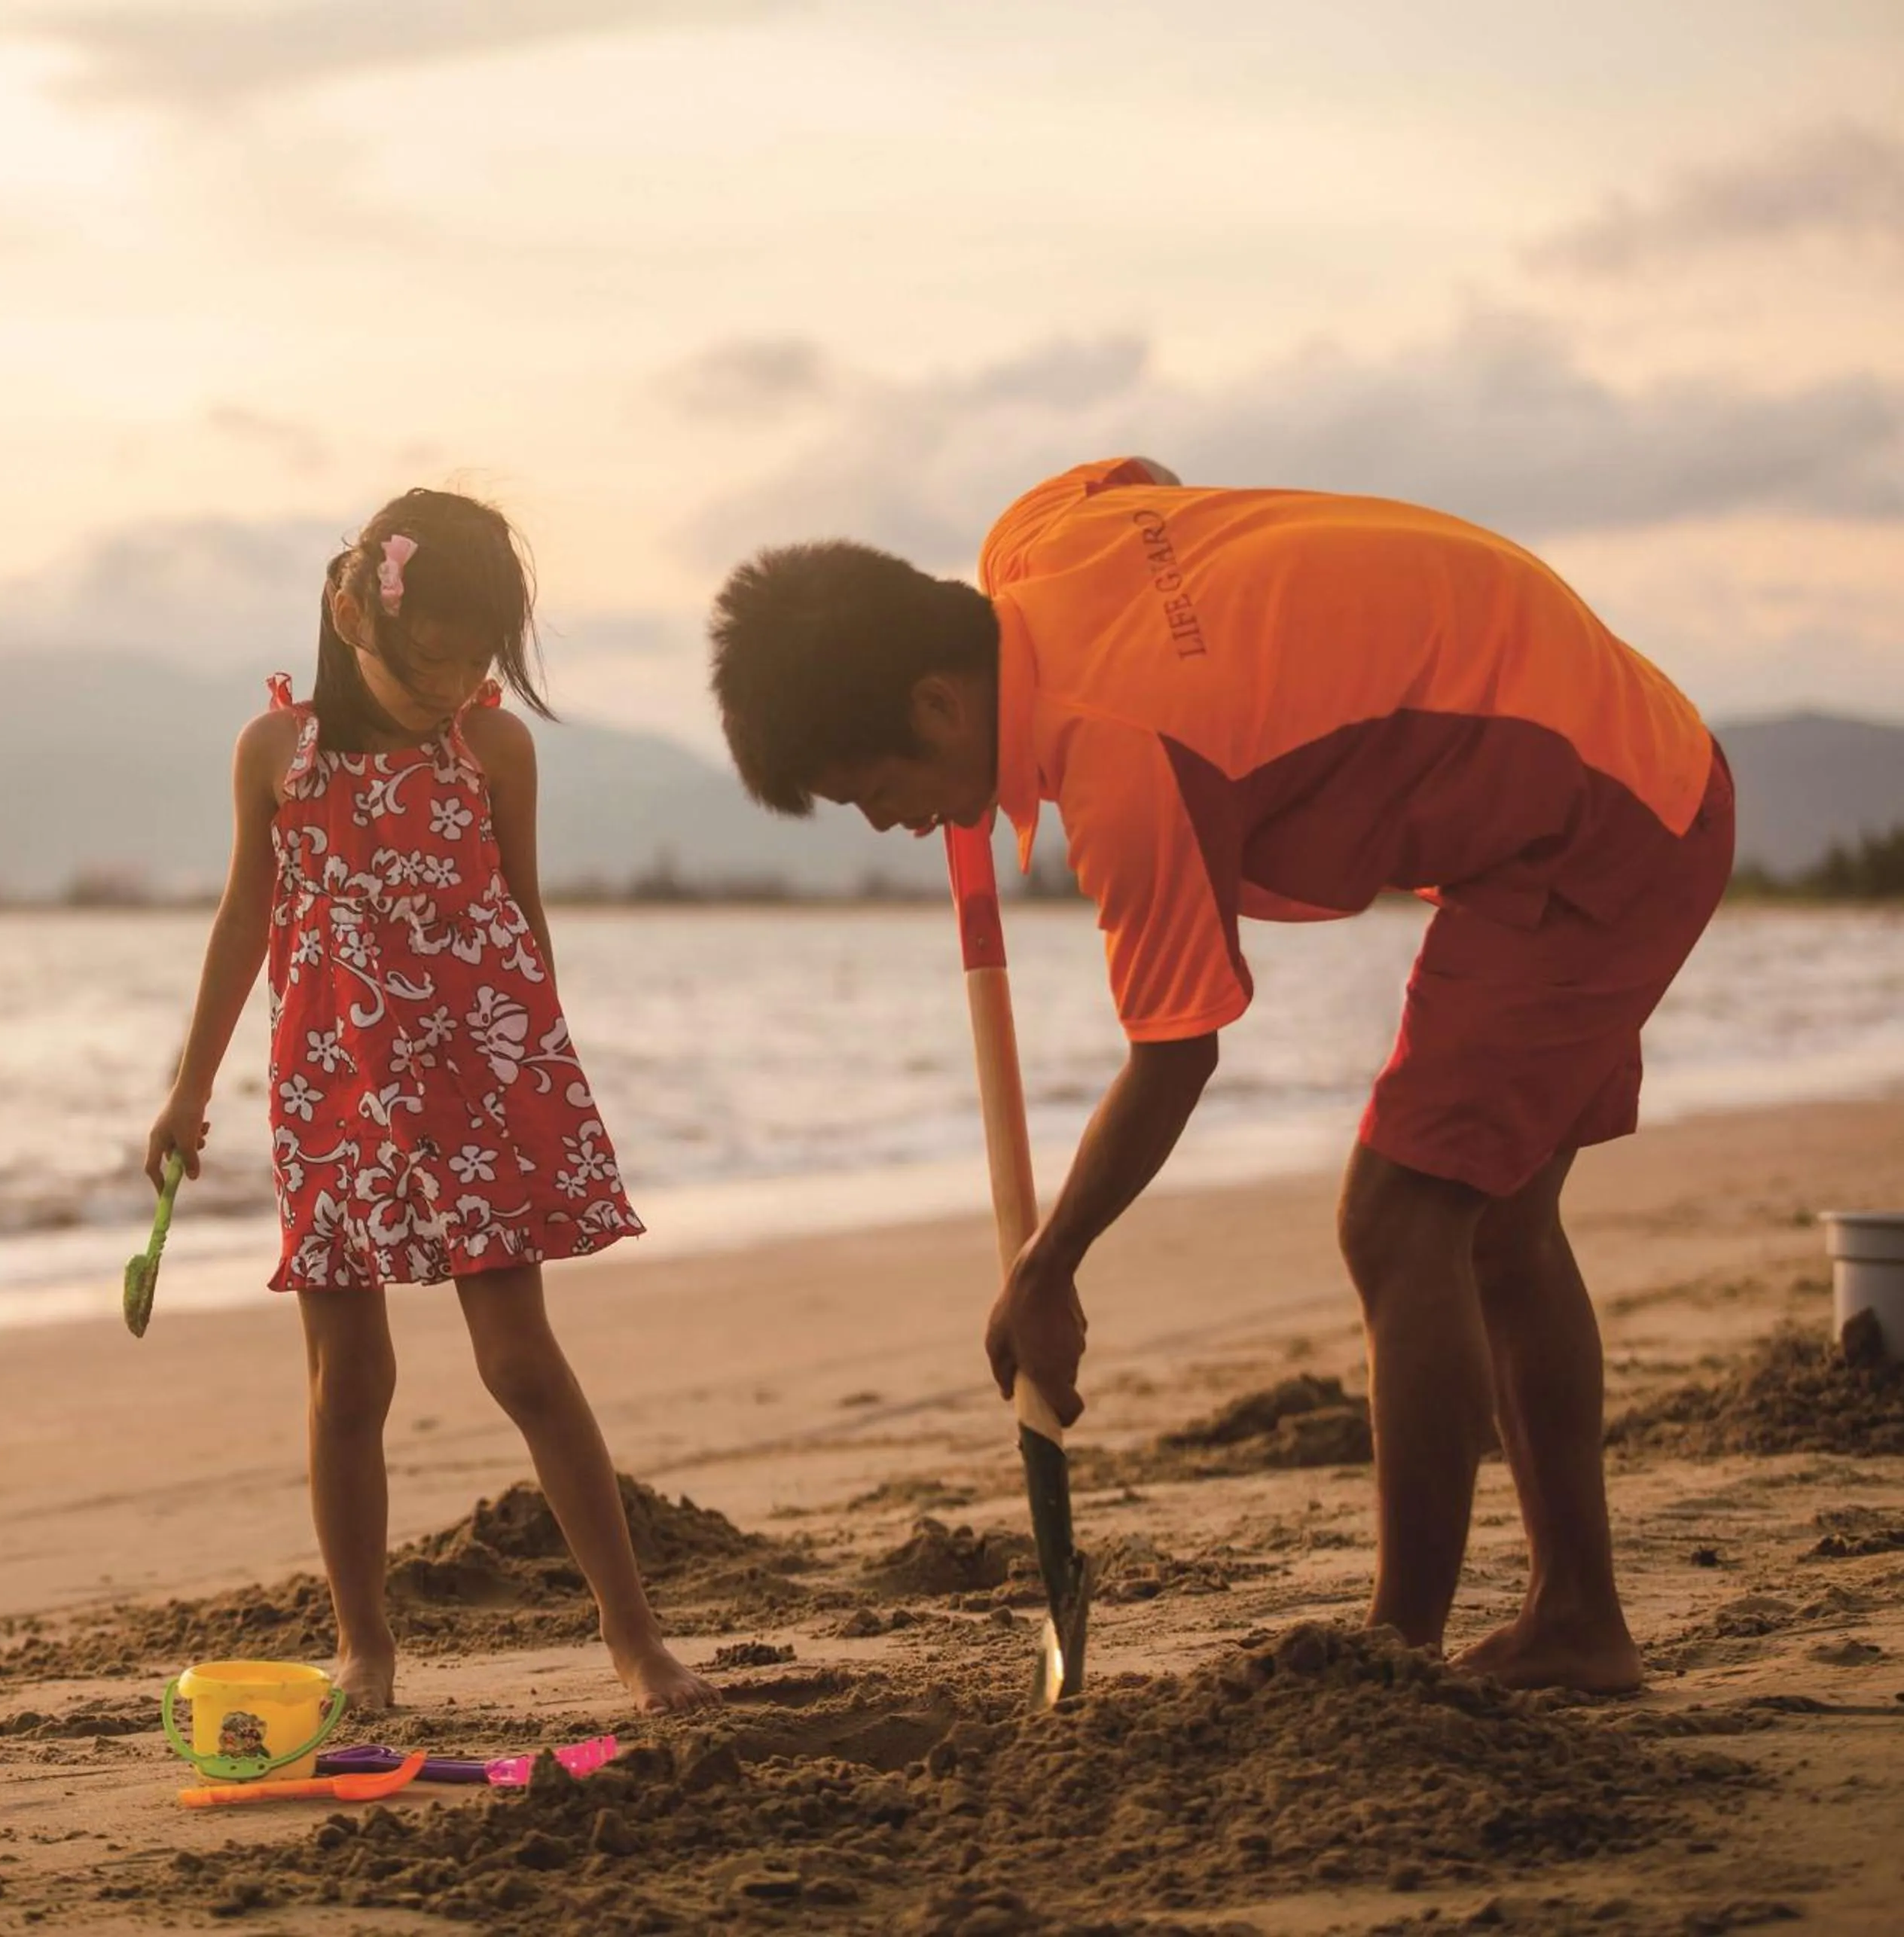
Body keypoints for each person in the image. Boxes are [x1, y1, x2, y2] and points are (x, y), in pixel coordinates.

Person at [707, 458, 1735, 1693]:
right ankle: (1575, 1619)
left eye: (876, 793)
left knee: (1401, 1220)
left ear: (935, 703)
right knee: (1496, 1227)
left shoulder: (1130, 761)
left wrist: (1050, 1265)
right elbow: (1140, 484)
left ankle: (1394, 1664)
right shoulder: (1032, 548)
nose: (887, 825)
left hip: (1603, 825)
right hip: (1611, 747)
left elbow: (1179, 1051)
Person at [147, 487, 715, 1716]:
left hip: (479, 1076)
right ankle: (365, 1647)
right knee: (348, 1383)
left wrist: (545, 1088)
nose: (455, 685)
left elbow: (524, 916)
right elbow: (246, 921)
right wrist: (189, 1086)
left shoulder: (492, 749)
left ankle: (634, 1637)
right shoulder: (274, 757)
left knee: (523, 1363)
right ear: (353, 613)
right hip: (331, 1083)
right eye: (436, 660)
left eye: (477, 662)